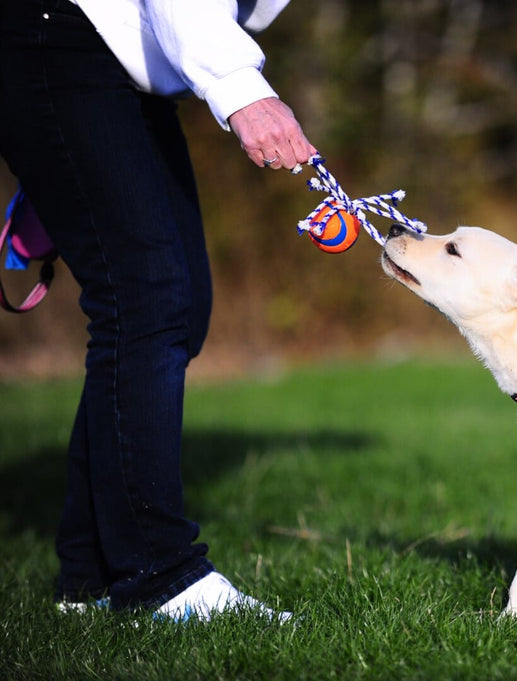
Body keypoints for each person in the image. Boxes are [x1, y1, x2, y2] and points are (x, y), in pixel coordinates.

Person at [0, 0, 317, 621]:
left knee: (178, 303)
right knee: (143, 299)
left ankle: (89, 579)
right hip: (58, 33)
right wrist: (237, 86)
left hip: (126, 59)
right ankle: (158, 574)